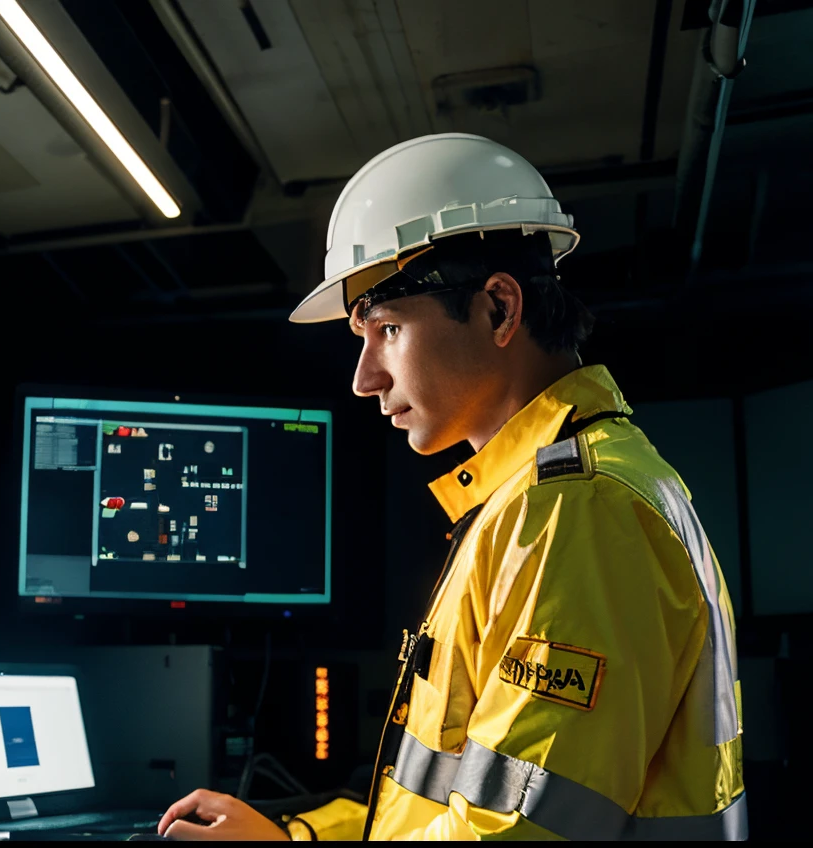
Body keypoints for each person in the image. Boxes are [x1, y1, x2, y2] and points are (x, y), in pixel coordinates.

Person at [157, 134, 745, 841]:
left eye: (388, 329)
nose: (363, 378)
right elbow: (453, 803)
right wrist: (296, 836)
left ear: (499, 309)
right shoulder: (537, 500)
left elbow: (513, 833)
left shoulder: (579, 512)